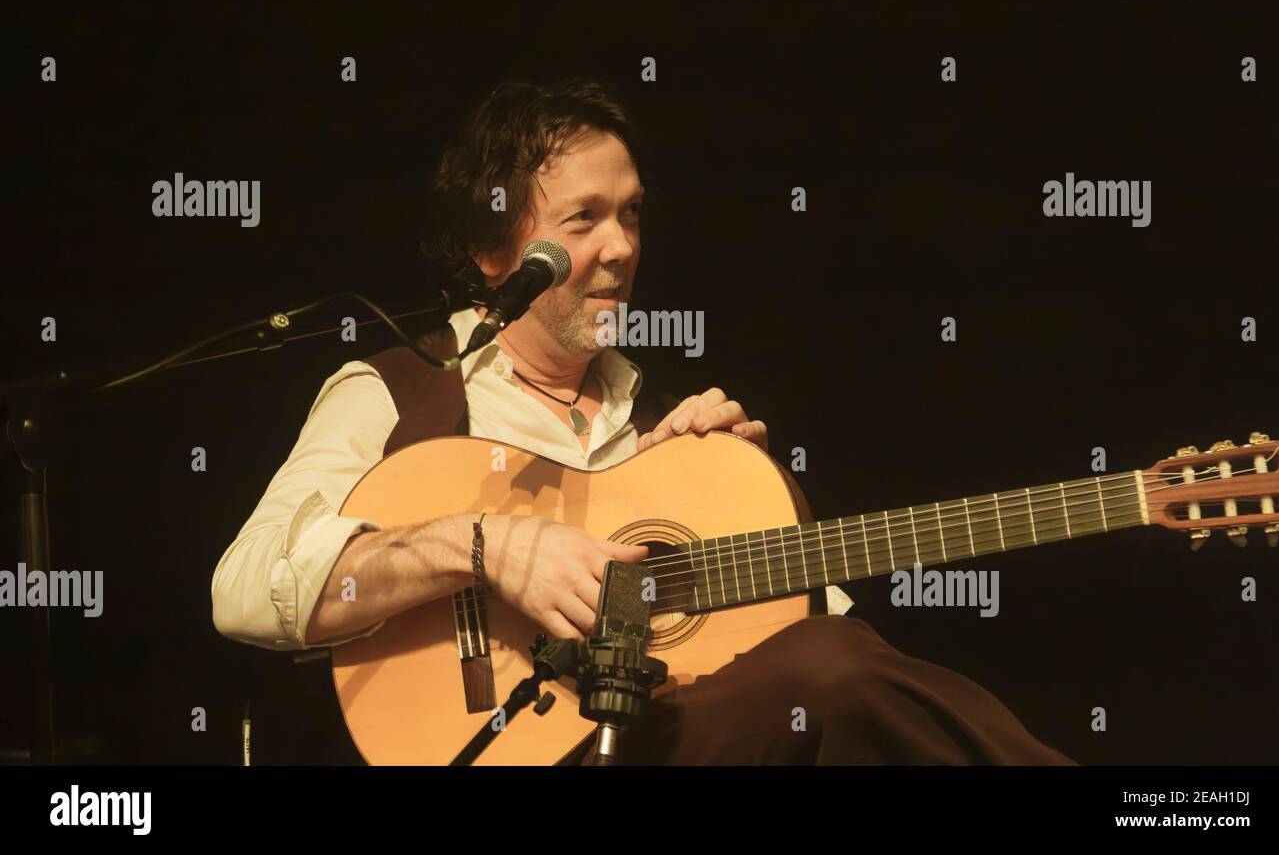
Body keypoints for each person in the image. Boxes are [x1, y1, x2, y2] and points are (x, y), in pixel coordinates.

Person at [211, 77, 1073, 764]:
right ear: (491, 251)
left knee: (837, 663)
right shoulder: (401, 392)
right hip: (504, 748)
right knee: (834, 672)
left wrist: (753, 502)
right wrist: (483, 546)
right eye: (582, 220)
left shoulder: (664, 428)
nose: (620, 247)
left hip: (666, 739)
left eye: (630, 214)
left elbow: (833, 647)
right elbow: (244, 588)